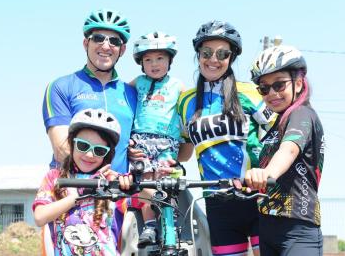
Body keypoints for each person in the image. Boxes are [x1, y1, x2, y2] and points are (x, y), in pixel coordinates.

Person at [177, 20, 275, 256]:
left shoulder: (249, 92)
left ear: (231, 58)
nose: (213, 59)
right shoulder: (186, 101)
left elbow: (278, 135)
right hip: (216, 202)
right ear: (198, 55)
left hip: (257, 196)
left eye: (222, 53)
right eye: (207, 52)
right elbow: (184, 152)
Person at [244, 45, 325, 255]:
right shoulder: (277, 122)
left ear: (298, 83)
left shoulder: (302, 114)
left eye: (279, 85)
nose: (272, 93)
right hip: (268, 226)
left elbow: (288, 150)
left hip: (298, 227)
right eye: (264, 88)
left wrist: (266, 173)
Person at [42, 8, 137, 173]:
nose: (106, 46)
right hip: (72, 189)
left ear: (122, 50)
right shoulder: (61, 86)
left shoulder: (132, 94)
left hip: (118, 193)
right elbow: (61, 149)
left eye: (114, 41)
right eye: (99, 38)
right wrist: (99, 180)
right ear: (86, 43)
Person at [33, 108, 134, 256]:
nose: (89, 154)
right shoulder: (55, 178)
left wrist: (133, 184)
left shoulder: (113, 182)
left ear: (108, 154)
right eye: (83, 145)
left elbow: (148, 203)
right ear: (72, 144)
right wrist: (76, 196)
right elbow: (40, 217)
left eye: (99, 150)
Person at [128, 31, 185, 247]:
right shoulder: (137, 83)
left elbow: (189, 111)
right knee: (146, 181)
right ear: (141, 63)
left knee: (165, 181)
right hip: (141, 140)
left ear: (170, 60)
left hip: (166, 141)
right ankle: (150, 225)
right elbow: (121, 102)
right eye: (148, 59)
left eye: (160, 58)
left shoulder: (178, 86)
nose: (154, 64)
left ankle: (169, 225)